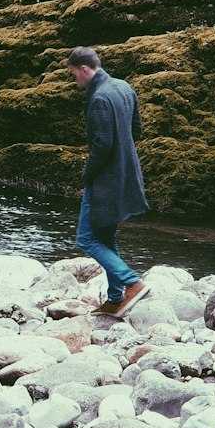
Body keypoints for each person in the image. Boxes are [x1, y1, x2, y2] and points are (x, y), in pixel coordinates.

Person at [65, 46, 149, 318]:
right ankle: (115, 298)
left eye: (74, 74)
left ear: (85, 69)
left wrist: (86, 175)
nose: (75, 80)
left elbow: (101, 146)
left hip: (106, 180)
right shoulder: (124, 87)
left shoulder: (99, 97)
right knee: (105, 235)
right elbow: (136, 130)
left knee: (86, 238)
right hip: (126, 173)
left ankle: (131, 282)